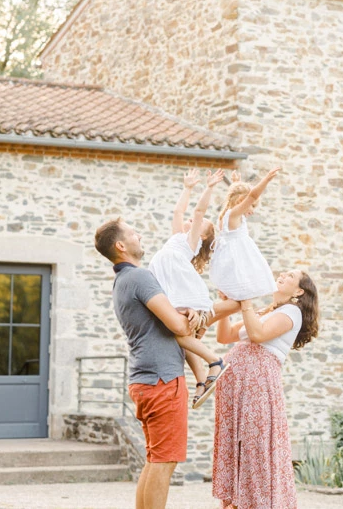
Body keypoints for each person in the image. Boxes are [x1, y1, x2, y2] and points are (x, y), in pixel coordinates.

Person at [94, 217, 194, 509]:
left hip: (145, 380)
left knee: (155, 459)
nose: (140, 235)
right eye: (133, 233)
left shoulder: (122, 281)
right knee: (164, 462)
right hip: (163, 380)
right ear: (121, 245)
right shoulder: (140, 277)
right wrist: (193, 316)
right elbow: (178, 325)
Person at [212, 269, 320, 509]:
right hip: (236, 389)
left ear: (299, 291)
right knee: (238, 444)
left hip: (257, 386)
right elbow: (225, 335)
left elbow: (258, 335)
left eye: (290, 276)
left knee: (254, 445)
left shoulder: (292, 311)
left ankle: (254, 502)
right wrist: (224, 305)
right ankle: (237, 502)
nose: (282, 275)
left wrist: (245, 302)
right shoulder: (266, 312)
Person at [148, 168, 234, 409]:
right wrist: (186, 188)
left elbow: (198, 211)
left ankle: (215, 361)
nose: (190, 222)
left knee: (179, 334)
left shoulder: (189, 243)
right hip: (171, 289)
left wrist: (208, 187)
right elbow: (179, 211)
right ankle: (201, 381)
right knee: (181, 338)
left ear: (201, 236)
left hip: (181, 292)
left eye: (198, 225)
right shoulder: (176, 238)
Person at [209, 167, 282, 301]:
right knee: (242, 299)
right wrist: (266, 179)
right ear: (241, 201)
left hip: (233, 258)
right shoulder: (233, 215)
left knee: (240, 299)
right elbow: (252, 195)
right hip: (237, 259)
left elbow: (234, 198)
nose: (253, 210)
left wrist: (236, 184)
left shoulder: (229, 213)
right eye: (252, 205)